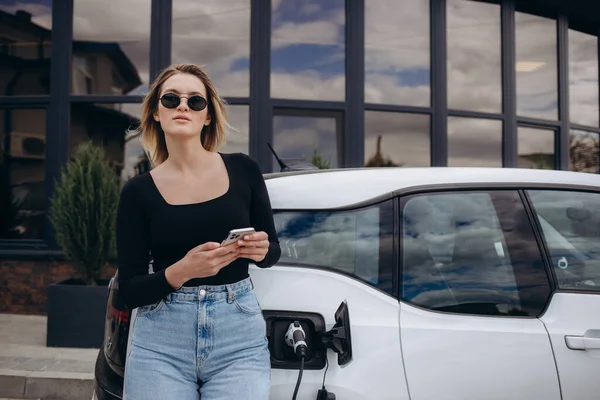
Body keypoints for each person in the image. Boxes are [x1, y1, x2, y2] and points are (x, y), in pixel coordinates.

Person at [116, 63, 281, 399]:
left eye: (195, 101)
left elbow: (272, 250)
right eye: (171, 99)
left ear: (207, 116)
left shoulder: (244, 169)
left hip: (238, 337)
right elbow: (129, 291)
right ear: (156, 114)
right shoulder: (138, 192)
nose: (182, 106)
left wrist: (262, 250)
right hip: (160, 342)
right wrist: (181, 271)